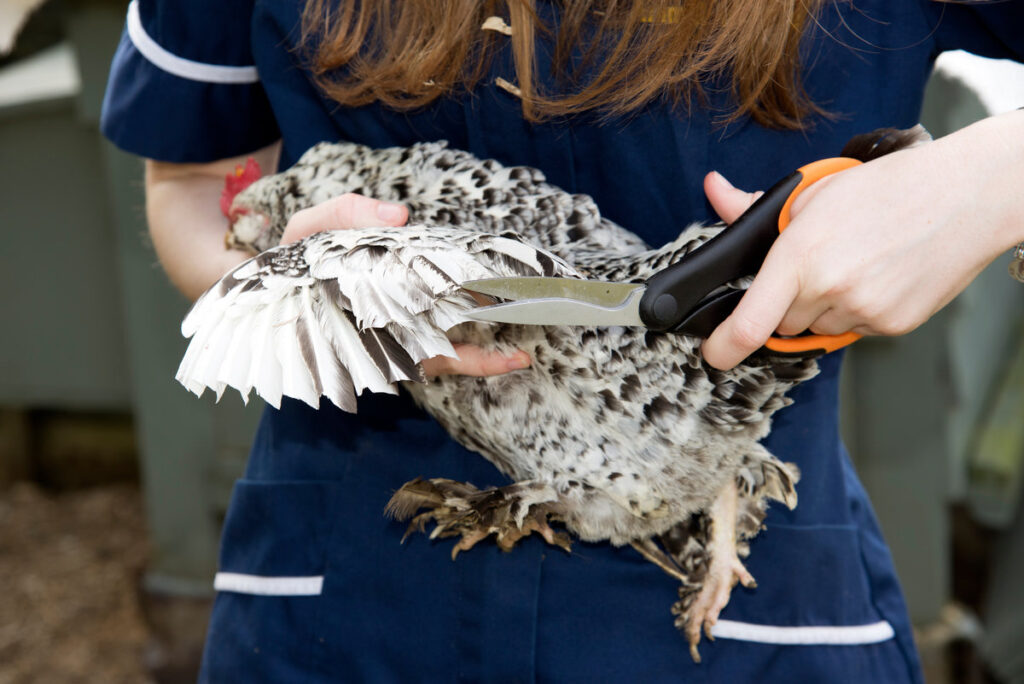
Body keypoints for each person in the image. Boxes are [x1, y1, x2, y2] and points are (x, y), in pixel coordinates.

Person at [101, 1, 1024, 681]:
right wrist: (287, 288)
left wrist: (982, 183)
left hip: (748, 592)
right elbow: (193, 179)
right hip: (351, 592)